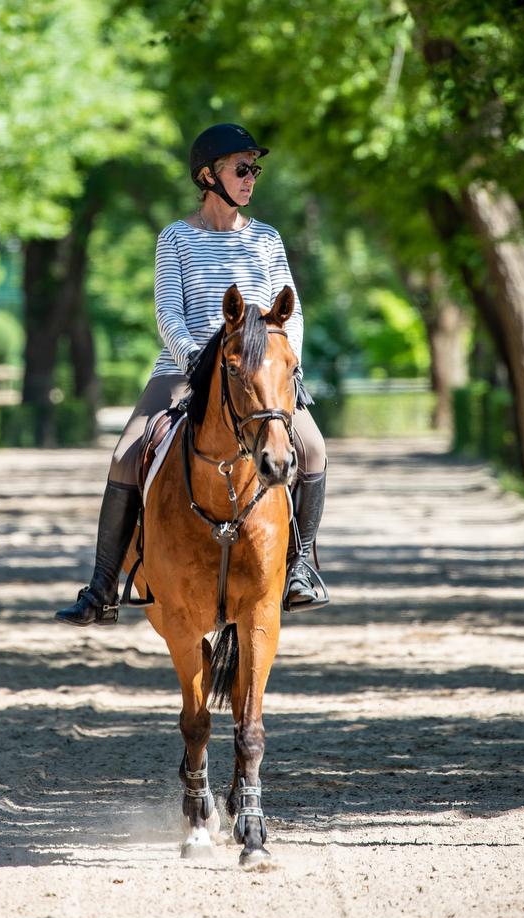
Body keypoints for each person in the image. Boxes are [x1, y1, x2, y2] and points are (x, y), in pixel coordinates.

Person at [56, 123, 328, 627]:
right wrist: (199, 365)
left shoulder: (267, 239)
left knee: (313, 449)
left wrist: (286, 364)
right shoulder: (176, 238)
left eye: (254, 170)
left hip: (262, 376)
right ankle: (101, 588)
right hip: (186, 371)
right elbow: (168, 315)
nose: (251, 178)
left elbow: (293, 313)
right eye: (241, 169)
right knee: (126, 455)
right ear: (208, 176)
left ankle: (302, 567)